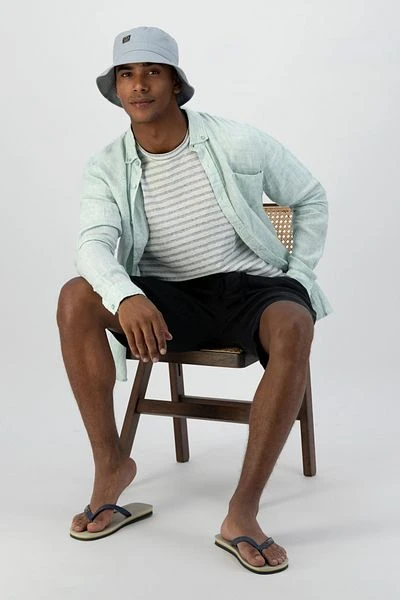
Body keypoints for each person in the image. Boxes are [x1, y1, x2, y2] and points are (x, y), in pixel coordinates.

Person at [56, 25, 332, 574]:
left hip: (249, 289)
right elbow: (92, 245)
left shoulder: (236, 140)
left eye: (152, 72)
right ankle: (111, 467)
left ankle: (243, 511)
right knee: (75, 297)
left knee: (294, 324)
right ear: (116, 88)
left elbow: (309, 197)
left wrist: (299, 277)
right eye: (126, 75)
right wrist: (125, 295)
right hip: (167, 301)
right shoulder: (105, 165)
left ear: (176, 84)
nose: (139, 85)